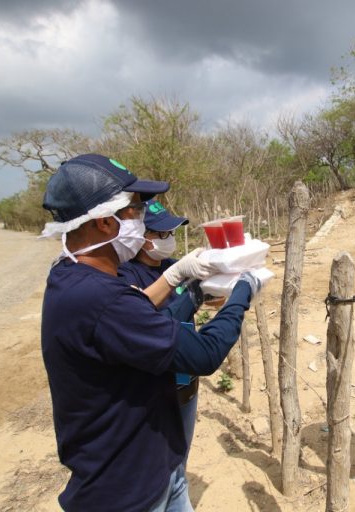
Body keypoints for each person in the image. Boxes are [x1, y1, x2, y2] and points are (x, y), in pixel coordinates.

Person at [39, 154, 263, 512]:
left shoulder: (73, 276)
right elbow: (203, 354)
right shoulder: (101, 299)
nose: (142, 221)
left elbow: (140, 313)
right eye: (135, 210)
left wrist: (186, 285)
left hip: (155, 468)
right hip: (126, 492)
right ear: (103, 222)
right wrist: (243, 291)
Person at [117, 199, 201, 466]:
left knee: (180, 456)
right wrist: (175, 277)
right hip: (154, 388)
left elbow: (205, 297)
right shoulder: (125, 274)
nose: (168, 239)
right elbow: (137, 311)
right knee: (156, 462)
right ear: (139, 236)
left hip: (185, 379)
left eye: (171, 233)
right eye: (161, 233)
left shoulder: (170, 264)